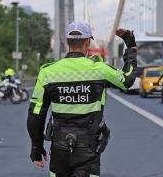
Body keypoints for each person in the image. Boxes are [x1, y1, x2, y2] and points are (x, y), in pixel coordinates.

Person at [27, 21, 137, 177]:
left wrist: (36, 148)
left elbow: (35, 114)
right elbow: (128, 80)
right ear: (88, 42)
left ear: (66, 42)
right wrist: (130, 47)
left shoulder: (48, 73)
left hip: (59, 148)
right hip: (88, 148)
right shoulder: (100, 70)